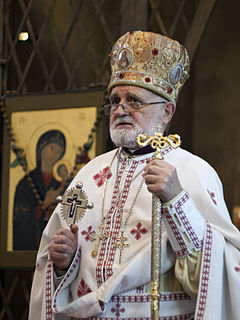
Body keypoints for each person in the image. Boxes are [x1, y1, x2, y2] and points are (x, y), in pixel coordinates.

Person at [29, 31, 240, 319]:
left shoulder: (194, 172)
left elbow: (220, 273)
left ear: (167, 112)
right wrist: (65, 262)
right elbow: (64, 268)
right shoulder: (89, 175)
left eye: (134, 101)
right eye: (115, 100)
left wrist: (176, 201)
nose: (120, 109)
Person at [13, 130, 66, 250]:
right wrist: (43, 206)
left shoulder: (59, 184)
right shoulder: (26, 183)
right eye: (52, 148)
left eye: (59, 151)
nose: (55, 154)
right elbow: (19, 221)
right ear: (40, 149)